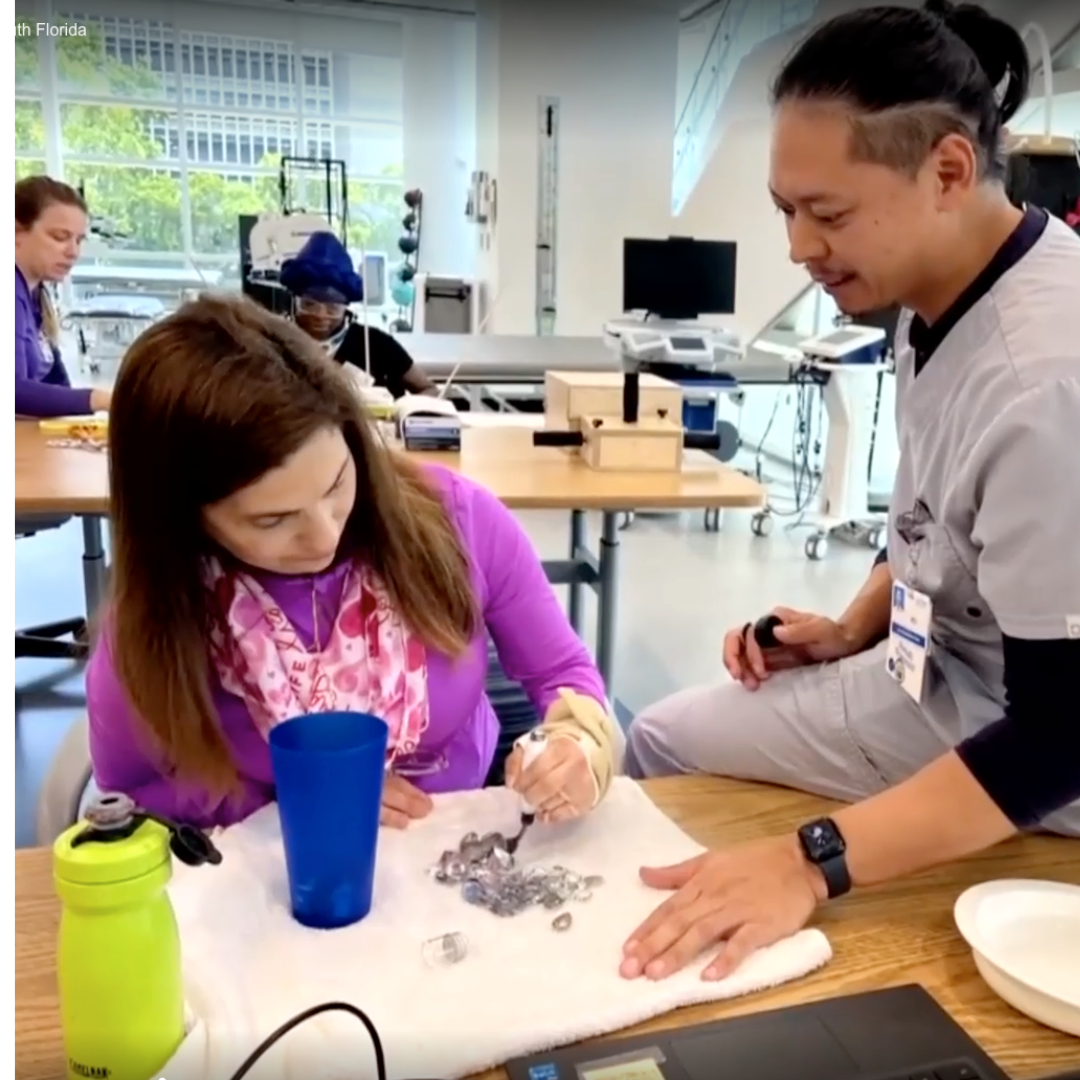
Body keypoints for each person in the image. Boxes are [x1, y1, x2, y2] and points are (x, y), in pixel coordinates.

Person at [621, 0, 1080, 984]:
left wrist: (808, 860)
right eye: (786, 208)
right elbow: (932, 516)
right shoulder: (929, 294)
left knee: (694, 775)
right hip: (936, 673)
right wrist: (852, 624)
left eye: (825, 214)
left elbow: (1061, 736)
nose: (797, 246)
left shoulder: (1047, 377)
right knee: (660, 735)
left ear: (948, 171)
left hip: (1029, 743)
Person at [85, 294, 620, 830]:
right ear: (185, 521)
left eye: (337, 483)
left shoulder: (456, 519)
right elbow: (132, 791)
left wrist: (578, 742)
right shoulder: (160, 610)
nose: (324, 535)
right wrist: (298, 797)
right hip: (281, 863)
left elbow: (562, 671)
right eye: (273, 520)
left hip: (449, 830)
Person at [280, 231, 436, 398]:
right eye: (309, 304)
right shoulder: (274, 341)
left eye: (332, 308)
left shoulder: (376, 344)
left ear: (346, 308)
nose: (320, 315)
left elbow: (429, 389)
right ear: (294, 301)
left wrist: (398, 413)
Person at [15, 175, 111, 417]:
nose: (73, 252)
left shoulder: (36, 296)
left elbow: (56, 383)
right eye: (60, 237)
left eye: (79, 240)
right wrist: (98, 398)